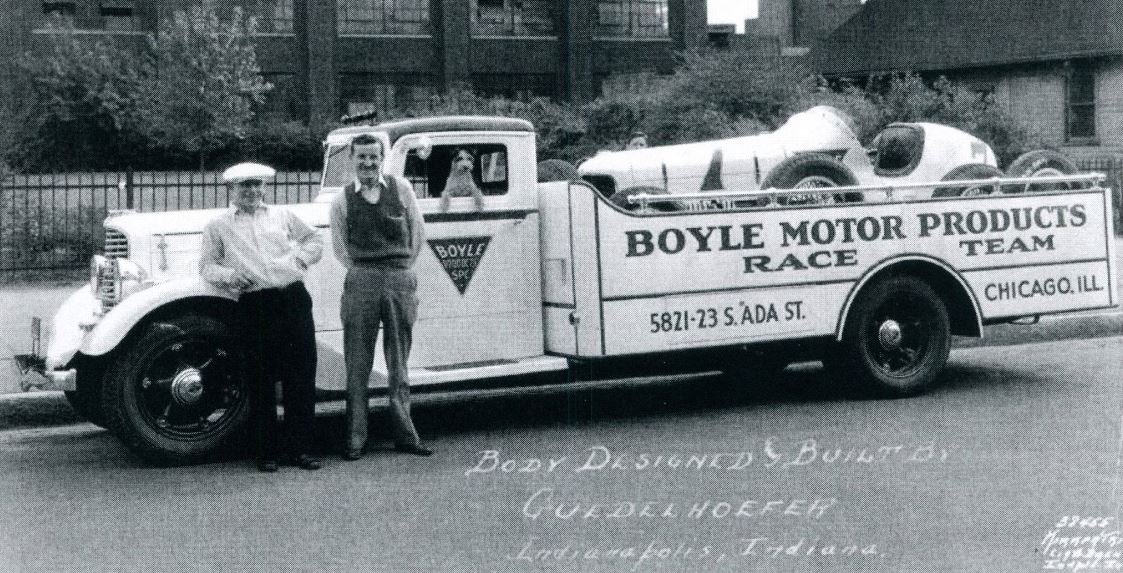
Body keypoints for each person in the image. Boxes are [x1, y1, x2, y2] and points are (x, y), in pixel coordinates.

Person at [200, 162, 324, 472]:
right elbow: (206, 266)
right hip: (256, 305)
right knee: (261, 379)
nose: (253, 191)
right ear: (232, 190)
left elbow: (315, 241)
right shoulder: (218, 225)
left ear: (265, 187)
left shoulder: (282, 216)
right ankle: (266, 451)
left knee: (300, 375)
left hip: (292, 298)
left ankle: (302, 449)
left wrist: (300, 258)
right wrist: (229, 275)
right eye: (245, 186)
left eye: (257, 185)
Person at [330, 134, 432, 460]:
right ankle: (356, 439)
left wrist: (400, 266)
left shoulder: (402, 189)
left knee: (399, 362)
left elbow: (418, 233)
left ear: (382, 158)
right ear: (352, 160)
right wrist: (367, 269)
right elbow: (340, 248)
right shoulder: (342, 200)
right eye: (362, 158)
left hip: (399, 276)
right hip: (361, 280)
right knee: (357, 363)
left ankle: (406, 435)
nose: (368, 163)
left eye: (374, 157)